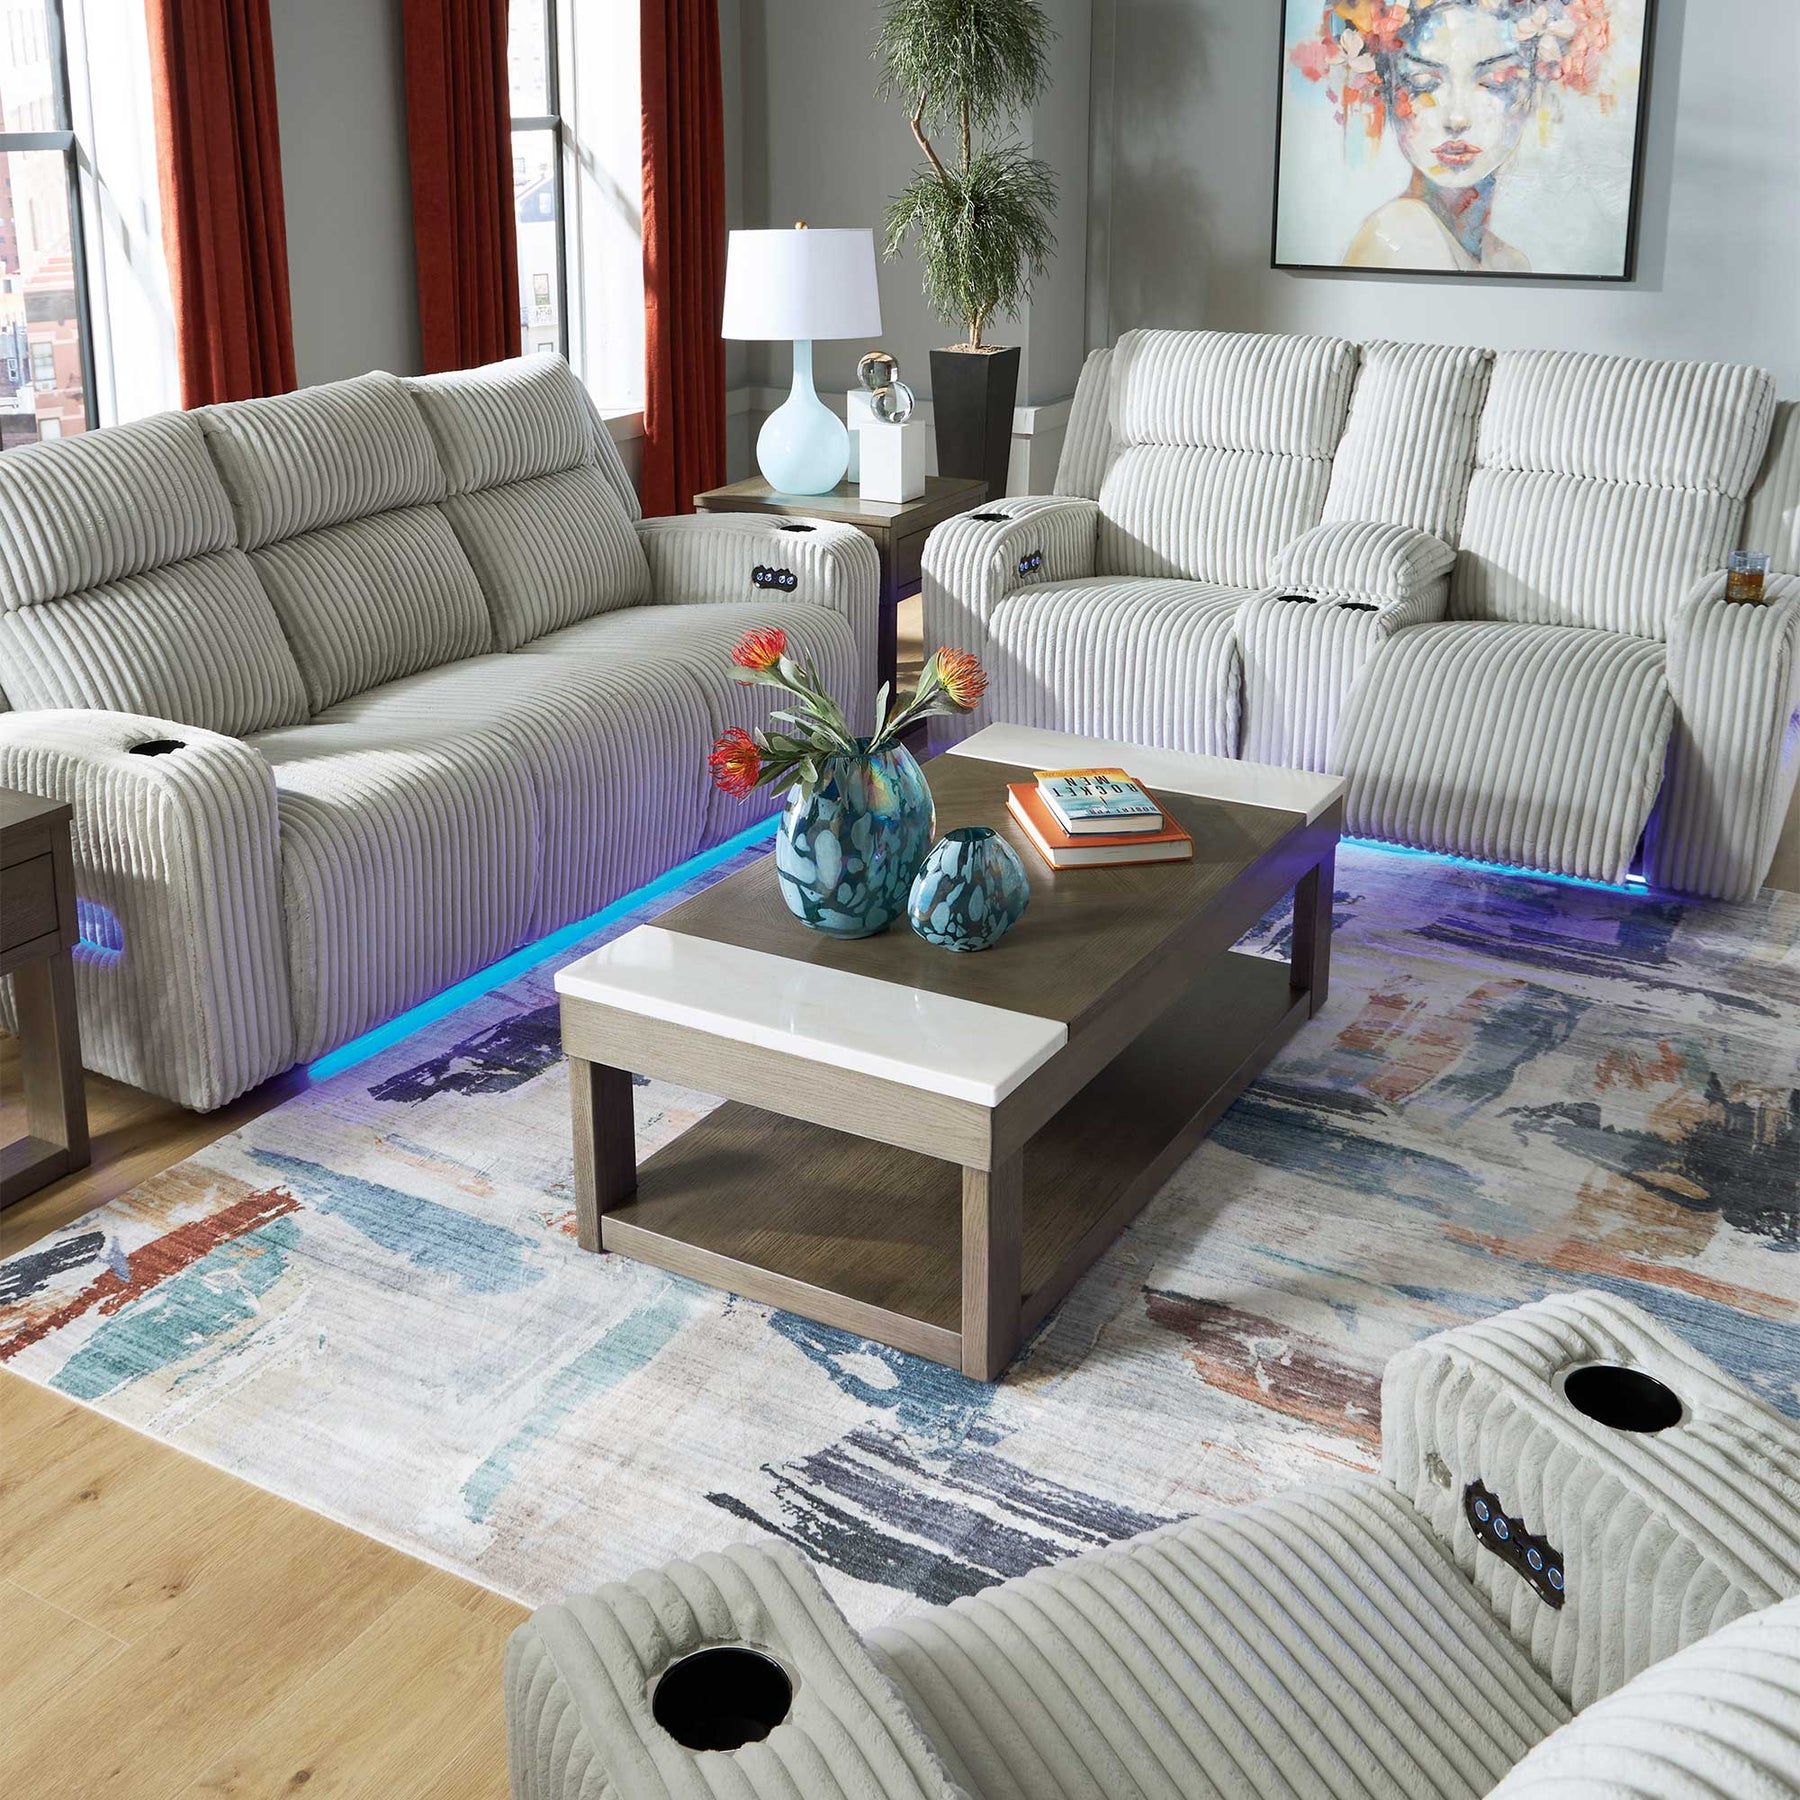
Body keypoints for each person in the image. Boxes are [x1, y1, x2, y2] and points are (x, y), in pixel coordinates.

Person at [1290, 0, 1612, 273]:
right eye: (1422, 82)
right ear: (1384, 86)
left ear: (1535, 85)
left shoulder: (1508, 261)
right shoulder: (1402, 234)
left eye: (1496, 80)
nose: (1456, 118)